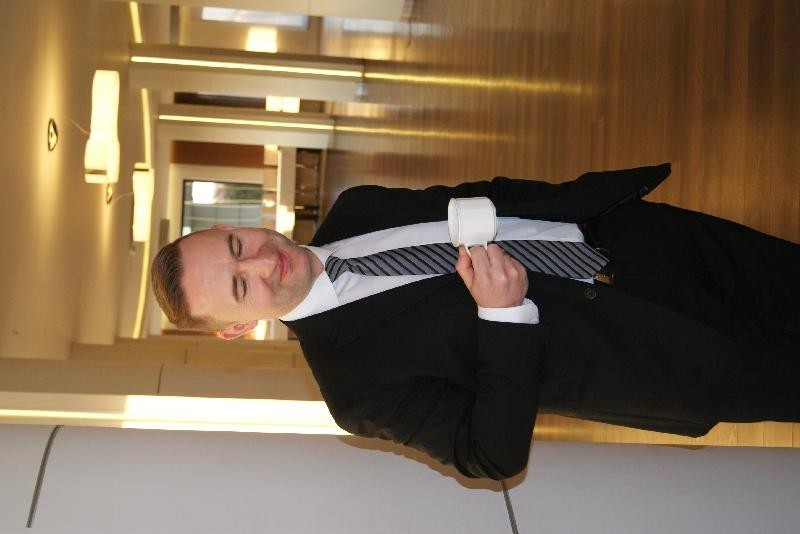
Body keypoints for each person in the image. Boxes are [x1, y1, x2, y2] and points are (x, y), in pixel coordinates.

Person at [151, 163, 800, 480]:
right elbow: (488, 454)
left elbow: (482, 195)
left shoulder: (356, 207)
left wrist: (574, 202)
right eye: (241, 286)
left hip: (644, 241)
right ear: (237, 328)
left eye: (237, 245)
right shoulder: (355, 388)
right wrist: (503, 316)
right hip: (657, 354)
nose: (263, 262)